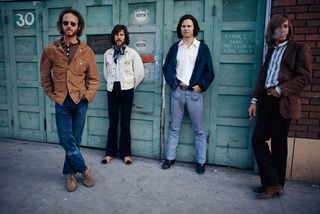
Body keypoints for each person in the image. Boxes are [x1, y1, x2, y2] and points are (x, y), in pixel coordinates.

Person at [248, 14, 312, 199]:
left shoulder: (299, 49)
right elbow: (263, 78)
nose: (282, 30)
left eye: (285, 27)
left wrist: (281, 89)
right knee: (258, 140)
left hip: (283, 102)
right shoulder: (271, 50)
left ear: (289, 28)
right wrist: (254, 101)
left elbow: (305, 77)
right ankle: (272, 183)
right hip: (267, 100)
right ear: (272, 31)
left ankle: (275, 185)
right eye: (278, 27)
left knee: (279, 145)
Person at [40, 9, 100, 192]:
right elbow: (44, 78)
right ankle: (84, 168)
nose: (69, 26)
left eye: (72, 23)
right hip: (62, 103)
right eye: (65, 23)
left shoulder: (86, 51)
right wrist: (53, 95)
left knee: (75, 139)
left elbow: (94, 79)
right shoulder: (50, 50)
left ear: (78, 26)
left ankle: (70, 175)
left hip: (80, 102)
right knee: (66, 139)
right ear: (61, 25)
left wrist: (87, 97)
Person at [162, 14, 214, 174]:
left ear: (194, 28)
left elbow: (209, 72)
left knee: (198, 129)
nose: (186, 28)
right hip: (178, 92)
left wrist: (201, 86)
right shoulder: (175, 48)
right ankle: (169, 158)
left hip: (194, 94)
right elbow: (167, 68)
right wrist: (173, 83)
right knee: (174, 128)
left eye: (189, 26)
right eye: (183, 26)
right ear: (180, 28)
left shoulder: (202, 48)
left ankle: (201, 162)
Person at [101, 24, 145, 165]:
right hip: (112, 89)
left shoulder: (132, 53)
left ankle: (126, 154)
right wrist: (112, 84)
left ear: (125, 37)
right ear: (113, 37)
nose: (119, 37)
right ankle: (110, 153)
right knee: (113, 123)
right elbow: (105, 72)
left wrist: (130, 86)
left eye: (121, 34)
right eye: (116, 34)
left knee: (125, 123)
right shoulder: (108, 54)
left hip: (127, 90)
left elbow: (140, 73)